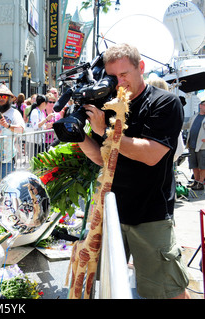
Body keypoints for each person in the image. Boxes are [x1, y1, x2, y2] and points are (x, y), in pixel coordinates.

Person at [73, 43, 190, 299]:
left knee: (168, 290)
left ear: (142, 68)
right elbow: (102, 159)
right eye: (113, 77)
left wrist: (105, 131)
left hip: (151, 214)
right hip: (112, 211)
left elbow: (150, 155)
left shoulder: (165, 102)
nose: (119, 82)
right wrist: (79, 135)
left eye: (124, 74)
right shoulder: (109, 104)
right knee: (109, 284)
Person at [185, 97, 205, 191]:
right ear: (200, 106)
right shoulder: (195, 116)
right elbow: (188, 125)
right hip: (192, 144)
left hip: (202, 146)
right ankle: (196, 181)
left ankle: (201, 183)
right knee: (193, 164)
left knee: (202, 166)